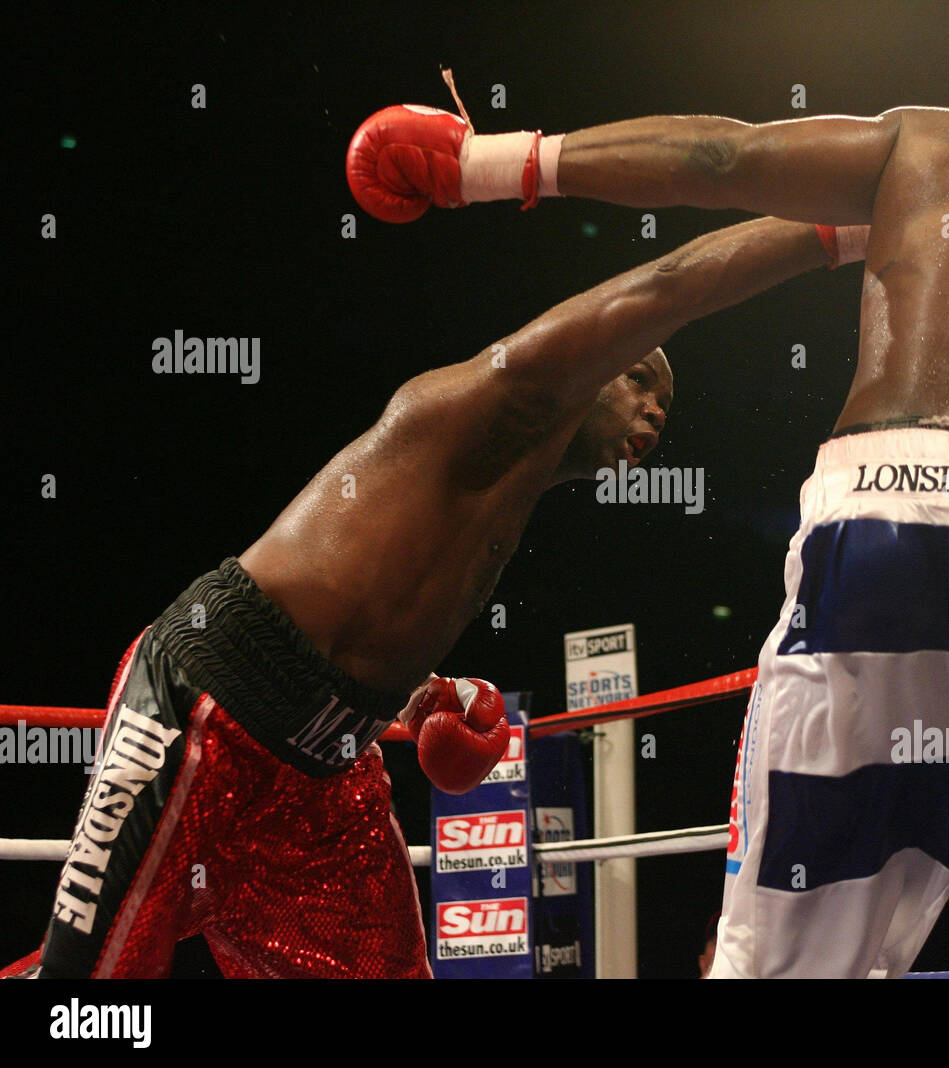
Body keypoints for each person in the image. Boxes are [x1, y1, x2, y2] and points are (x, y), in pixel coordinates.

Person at [357, 0, 949, 977]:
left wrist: (481, 163)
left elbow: (720, 158)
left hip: (870, 516)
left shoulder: (930, 137)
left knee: (770, 959)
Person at [5, 210, 862, 978]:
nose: (656, 414)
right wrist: (837, 230)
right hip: (212, 702)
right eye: (642, 380)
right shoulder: (493, 397)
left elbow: (357, 624)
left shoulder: (502, 498)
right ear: (593, 361)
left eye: (667, 405)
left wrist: (417, 703)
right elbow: (666, 287)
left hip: (325, 774)